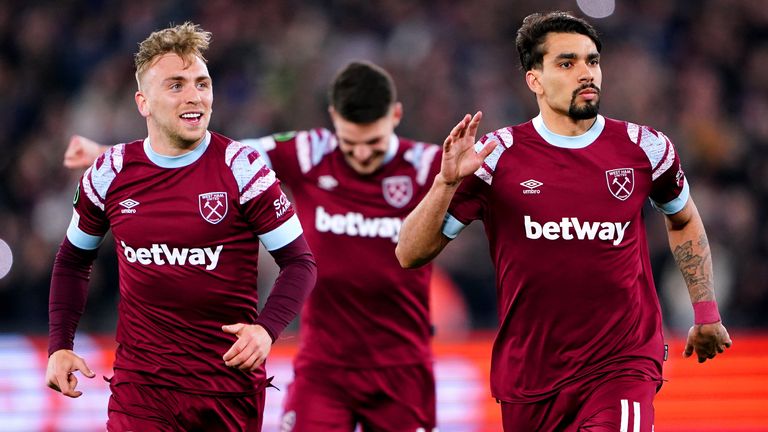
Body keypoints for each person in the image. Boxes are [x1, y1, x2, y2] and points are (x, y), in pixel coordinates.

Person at [396, 11, 732, 432]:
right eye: (566, 63)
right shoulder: (495, 156)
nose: (586, 73)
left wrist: (705, 311)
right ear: (534, 79)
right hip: (531, 377)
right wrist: (445, 183)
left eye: (592, 61)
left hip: (621, 365)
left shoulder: (644, 148)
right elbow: (409, 253)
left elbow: (682, 219)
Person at [63, 61, 442, 431]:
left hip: (402, 366)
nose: (361, 155)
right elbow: (213, 156)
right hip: (324, 366)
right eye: (350, 143)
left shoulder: (429, 167)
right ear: (333, 119)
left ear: (395, 116)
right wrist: (114, 154)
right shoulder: (310, 152)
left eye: (373, 143)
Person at [46, 22, 317, 432]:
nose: (195, 97)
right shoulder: (111, 172)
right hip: (141, 389)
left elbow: (300, 262)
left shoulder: (241, 168)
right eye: (176, 85)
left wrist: (266, 330)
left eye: (202, 84)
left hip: (228, 390)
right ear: (143, 102)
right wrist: (60, 345)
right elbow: (72, 261)